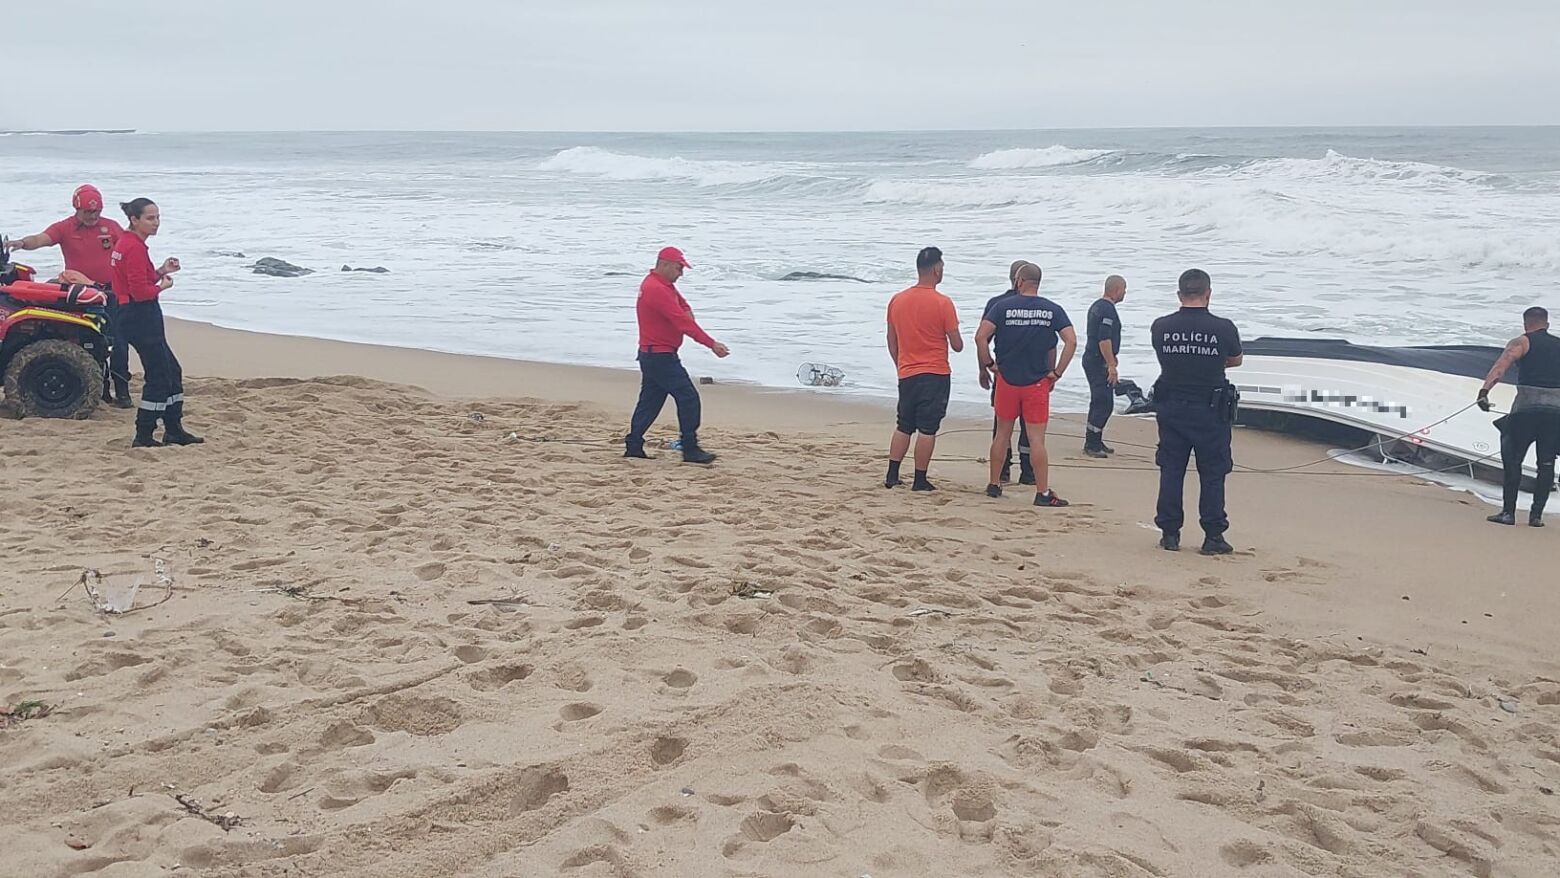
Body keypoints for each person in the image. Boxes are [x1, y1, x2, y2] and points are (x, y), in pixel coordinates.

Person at [7, 184, 133, 406]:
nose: (93, 216)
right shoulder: (65, 228)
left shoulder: (111, 227)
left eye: (97, 211)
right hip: (81, 294)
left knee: (118, 342)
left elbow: (129, 251)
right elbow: (40, 239)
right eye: (88, 212)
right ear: (77, 208)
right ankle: (100, 389)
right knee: (88, 340)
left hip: (110, 292)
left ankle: (122, 392)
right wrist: (22, 243)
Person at [1151, 269, 1242, 555]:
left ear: (1179, 295)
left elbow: (1164, 357)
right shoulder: (1224, 327)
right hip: (1210, 410)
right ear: (1208, 294)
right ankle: (1213, 536)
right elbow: (1235, 359)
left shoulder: (1161, 326)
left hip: (1171, 406)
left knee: (1171, 468)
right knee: (1213, 473)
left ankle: (1169, 533)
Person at [977, 262, 1075, 506]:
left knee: (1002, 434)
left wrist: (989, 364)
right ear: (1038, 283)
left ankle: (994, 483)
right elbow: (1070, 341)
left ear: (1019, 281)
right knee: (1036, 440)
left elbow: (980, 337)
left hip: (1007, 380)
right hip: (1036, 382)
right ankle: (1042, 492)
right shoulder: (1052, 310)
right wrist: (1057, 372)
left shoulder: (1002, 307)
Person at [623, 246, 730, 464]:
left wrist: (687, 314)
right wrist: (712, 344)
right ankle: (689, 447)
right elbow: (682, 321)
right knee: (688, 397)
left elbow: (684, 307)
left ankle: (634, 445)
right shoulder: (656, 288)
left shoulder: (663, 285)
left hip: (654, 354)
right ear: (664, 264)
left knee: (650, 402)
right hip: (659, 356)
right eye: (679, 268)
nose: (681, 273)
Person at [110, 198, 200, 448]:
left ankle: (173, 429)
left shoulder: (129, 244)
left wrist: (161, 270)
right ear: (134, 220)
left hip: (133, 313)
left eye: (158, 217)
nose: (156, 223)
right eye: (150, 218)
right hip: (139, 314)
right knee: (160, 375)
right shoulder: (133, 247)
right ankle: (144, 434)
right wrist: (162, 286)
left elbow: (136, 278)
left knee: (172, 371)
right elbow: (140, 292)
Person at [885, 246, 963, 491]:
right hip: (935, 372)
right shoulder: (943, 303)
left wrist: (900, 363)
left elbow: (891, 339)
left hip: (907, 370)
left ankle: (892, 474)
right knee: (928, 428)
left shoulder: (897, 300)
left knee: (904, 424)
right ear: (936, 270)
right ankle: (920, 479)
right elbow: (957, 344)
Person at [1477, 306, 1560, 527]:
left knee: (1512, 458)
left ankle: (1508, 513)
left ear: (1526, 325)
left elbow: (1500, 367)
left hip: (1526, 409)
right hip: (1555, 414)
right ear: (1547, 324)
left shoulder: (1521, 342)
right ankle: (1536, 517)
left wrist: (1484, 393)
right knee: (1546, 463)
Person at [981, 260, 1035, 484]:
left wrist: (985, 367)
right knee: (1030, 425)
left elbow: (982, 338)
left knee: (1002, 424)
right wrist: (1053, 371)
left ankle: (1002, 470)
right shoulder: (1040, 305)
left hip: (1004, 372)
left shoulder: (996, 304)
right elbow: (1053, 343)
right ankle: (1028, 471)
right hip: (1033, 372)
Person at [1083, 274, 1128, 458]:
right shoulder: (1107, 310)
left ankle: (1095, 438)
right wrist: (1111, 365)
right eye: (1124, 290)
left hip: (1093, 358)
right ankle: (1091, 443)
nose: (1125, 293)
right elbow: (1104, 338)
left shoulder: (1097, 306)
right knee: (1103, 402)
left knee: (1099, 400)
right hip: (1097, 361)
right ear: (1117, 290)